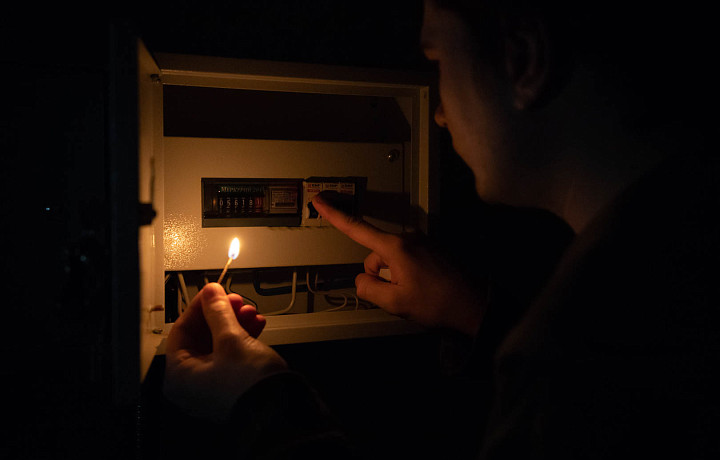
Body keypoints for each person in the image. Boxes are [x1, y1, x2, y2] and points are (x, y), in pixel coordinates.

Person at [161, 0, 719, 458]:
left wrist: (260, 404)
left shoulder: (575, 354)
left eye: (439, 61)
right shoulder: (679, 258)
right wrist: (479, 314)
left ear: (525, 59)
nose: (438, 113)